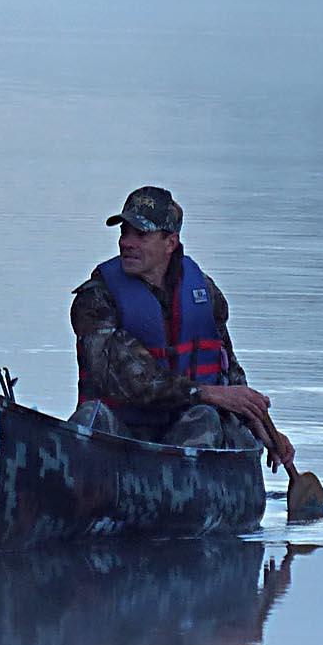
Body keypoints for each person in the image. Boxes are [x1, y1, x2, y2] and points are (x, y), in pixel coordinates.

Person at [69, 185, 292, 467]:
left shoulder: (204, 294)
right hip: (122, 439)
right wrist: (208, 394)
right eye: (124, 232)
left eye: (142, 234)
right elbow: (130, 380)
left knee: (207, 419)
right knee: (92, 415)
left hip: (184, 434)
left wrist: (258, 422)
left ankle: (186, 494)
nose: (127, 242)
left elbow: (228, 369)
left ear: (170, 243)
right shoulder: (97, 299)